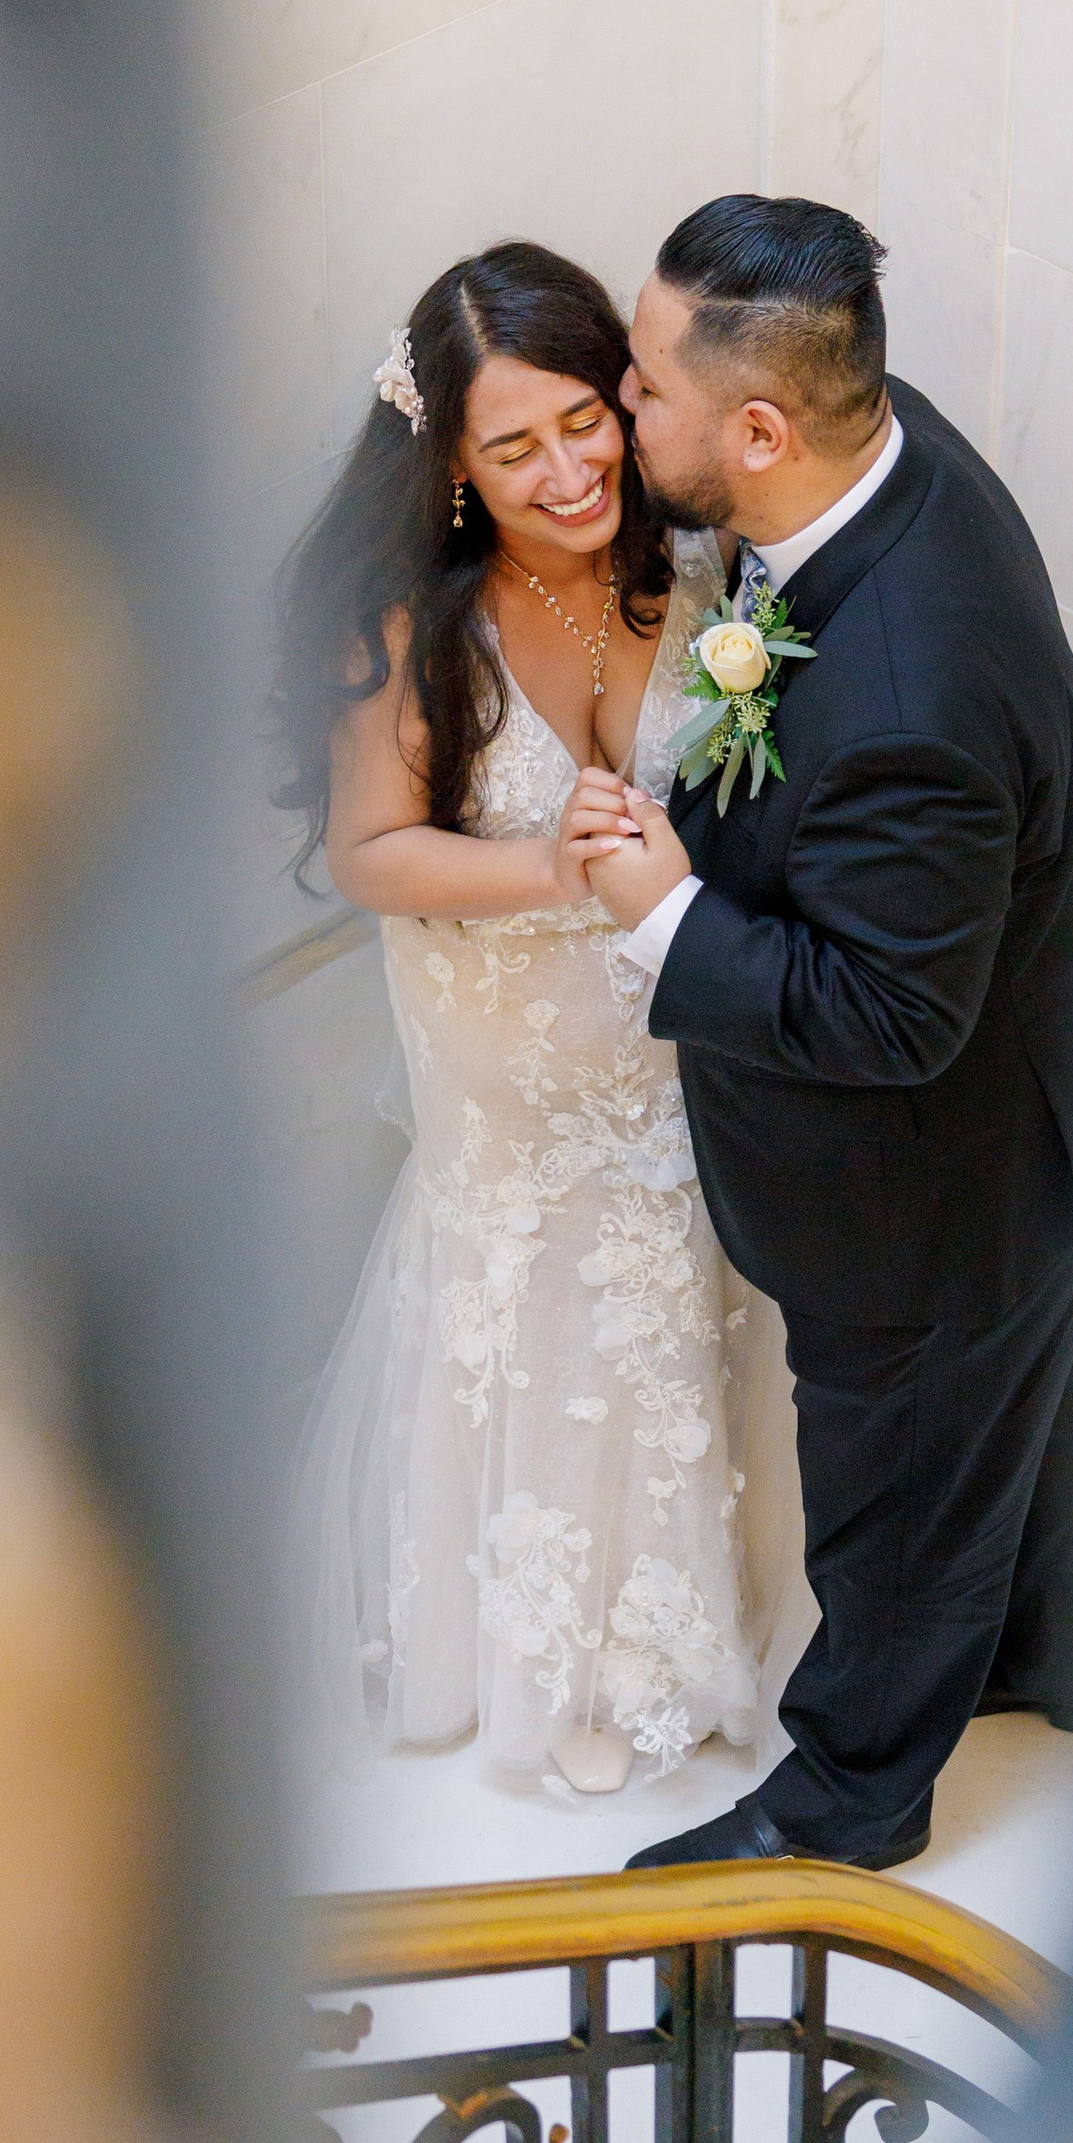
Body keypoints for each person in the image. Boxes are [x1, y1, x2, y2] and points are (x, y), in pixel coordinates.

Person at [568, 196, 1073, 1871]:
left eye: (643, 390)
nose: (623, 410)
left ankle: (847, 1805)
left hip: (956, 1176)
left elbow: (891, 1016)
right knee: (1007, 1402)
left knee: (904, 1486)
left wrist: (664, 911)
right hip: (1060, 1090)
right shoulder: (886, 458)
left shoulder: (912, 687)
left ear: (758, 430)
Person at [275, 242, 800, 1801]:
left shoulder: (698, 570)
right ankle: (550, 1655)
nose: (568, 470)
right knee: (558, 1308)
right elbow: (375, 853)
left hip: (678, 1033)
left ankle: (689, 1621)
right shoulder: (405, 632)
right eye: (513, 449)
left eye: (583, 420)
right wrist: (546, 865)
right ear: (450, 467)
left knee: (688, 1301)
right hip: (513, 1055)